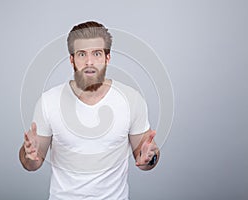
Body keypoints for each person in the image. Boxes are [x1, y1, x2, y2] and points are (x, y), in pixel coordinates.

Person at [19, 21, 160, 200]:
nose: (89, 61)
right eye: (81, 54)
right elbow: (32, 164)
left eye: (97, 53)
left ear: (107, 58)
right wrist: (29, 154)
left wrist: (151, 156)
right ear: (72, 60)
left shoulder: (131, 99)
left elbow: (144, 160)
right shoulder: (49, 102)